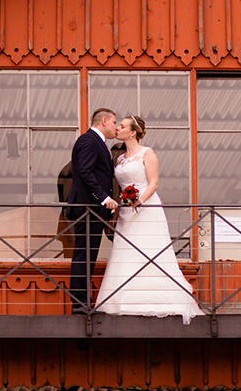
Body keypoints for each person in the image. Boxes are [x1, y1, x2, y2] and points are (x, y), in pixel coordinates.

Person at [95, 114, 203, 322]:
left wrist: (140, 200)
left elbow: (153, 183)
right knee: (125, 253)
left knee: (150, 250)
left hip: (146, 207)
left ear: (133, 132)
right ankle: (123, 301)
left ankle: (159, 300)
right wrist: (117, 214)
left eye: (123, 126)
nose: (118, 129)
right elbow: (120, 189)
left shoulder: (147, 153)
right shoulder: (120, 159)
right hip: (127, 211)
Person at [66, 108, 120, 310]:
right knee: (84, 254)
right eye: (114, 122)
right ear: (104, 121)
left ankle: (83, 300)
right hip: (86, 209)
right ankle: (79, 303)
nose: (116, 127)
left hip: (94, 210)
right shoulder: (88, 141)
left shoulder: (99, 143)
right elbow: (85, 172)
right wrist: (104, 197)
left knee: (89, 255)